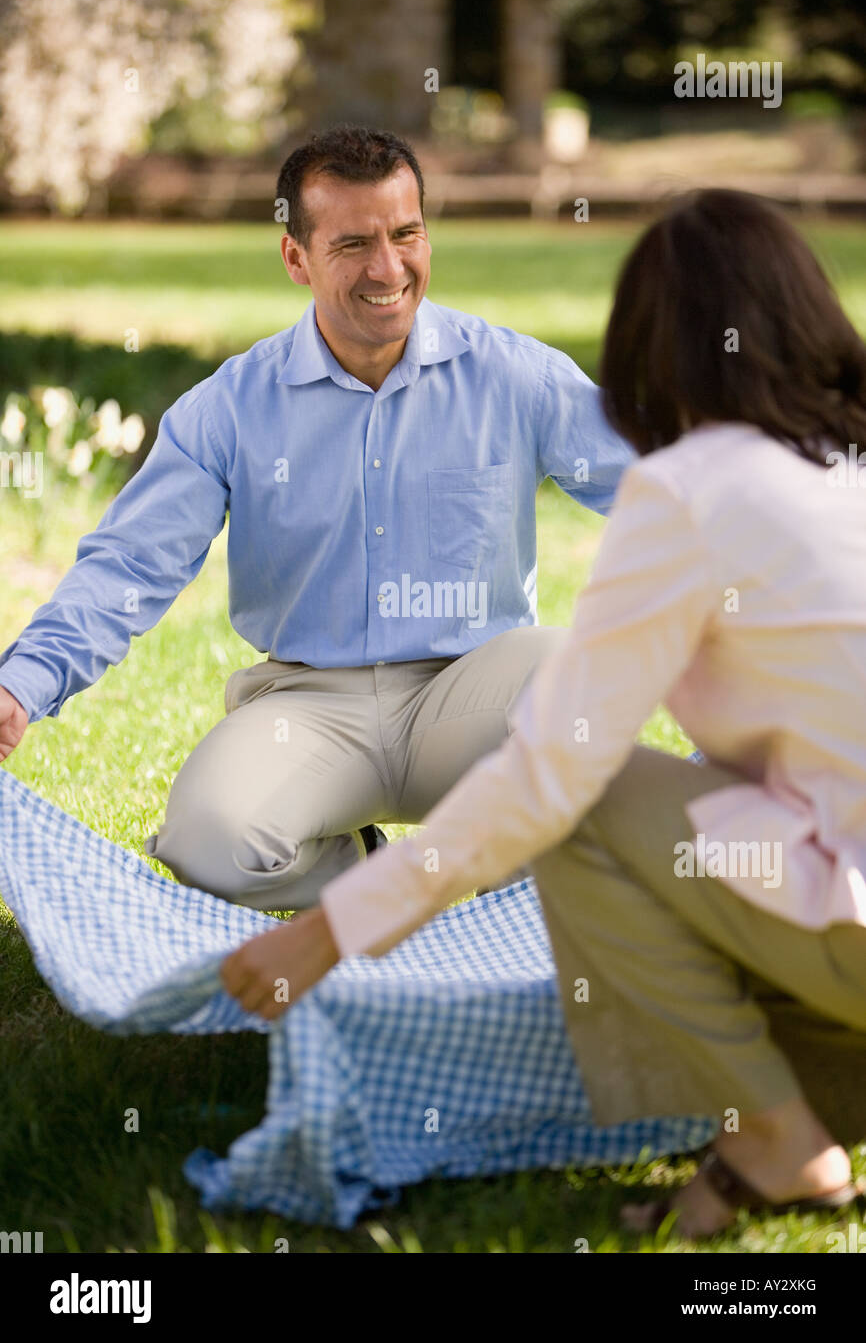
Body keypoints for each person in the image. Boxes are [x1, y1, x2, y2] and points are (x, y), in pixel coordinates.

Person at [222, 188, 866, 1240]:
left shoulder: (686, 490)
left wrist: (331, 929)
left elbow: (547, 774)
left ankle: (774, 1137)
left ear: (649, 343)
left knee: (588, 801)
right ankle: (774, 1134)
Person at [0, 125, 634, 910]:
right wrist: (22, 685)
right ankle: (381, 878)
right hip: (308, 708)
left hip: (470, 692)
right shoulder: (229, 409)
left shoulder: (514, 376)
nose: (388, 268)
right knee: (209, 846)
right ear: (296, 258)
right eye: (354, 244)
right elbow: (133, 565)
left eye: (406, 235)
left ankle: (507, 887)